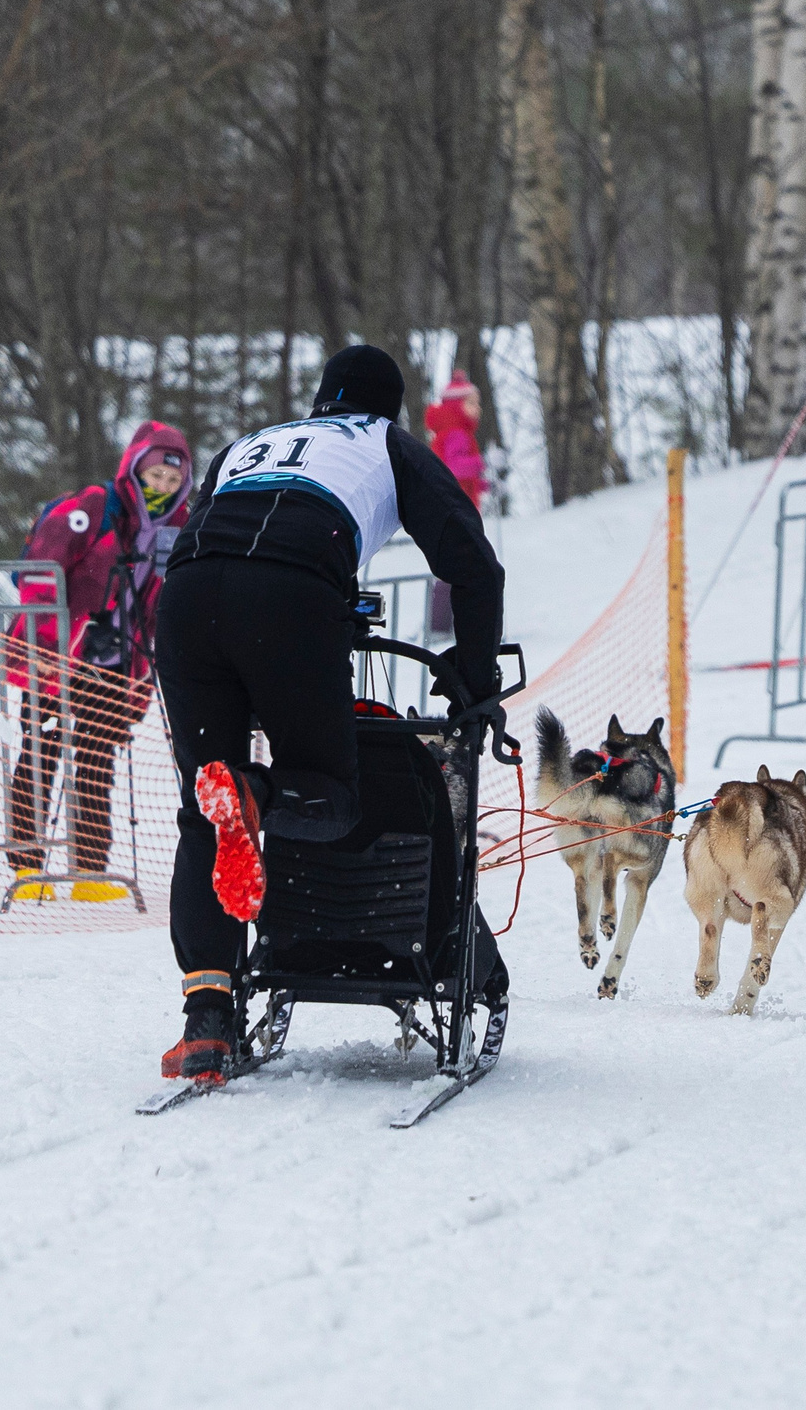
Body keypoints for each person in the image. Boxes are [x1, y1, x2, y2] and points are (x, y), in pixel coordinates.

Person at [154, 344, 505, 1084]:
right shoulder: (383, 440)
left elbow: (206, 537)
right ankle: (258, 793)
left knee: (201, 808)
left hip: (186, 596)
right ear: (390, 407)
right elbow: (472, 560)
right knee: (328, 792)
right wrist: (472, 683)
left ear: (318, 399)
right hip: (288, 591)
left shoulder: (249, 445)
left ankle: (209, 1022)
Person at [0, 422, 194, 903]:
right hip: (57, 653)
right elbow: (39, 571)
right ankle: (27, 867)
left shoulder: (178, 525)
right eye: (155, 476)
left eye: (172, 481)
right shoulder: (93, 507)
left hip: (117, 660)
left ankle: (89, 868)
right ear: (134, 467)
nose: (162, 488)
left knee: (96, 759)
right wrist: (46, 648)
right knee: (41, 750)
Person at [424, 369, 489, 509]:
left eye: (478, 404)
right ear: (456, 406)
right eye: (472, 403)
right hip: (455, 507)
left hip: (452, 504)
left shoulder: (452, 431)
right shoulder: (456, 433)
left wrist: (484, 485)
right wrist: (484, 462)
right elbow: (453, 467)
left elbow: (464, 479)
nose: (478, 408)